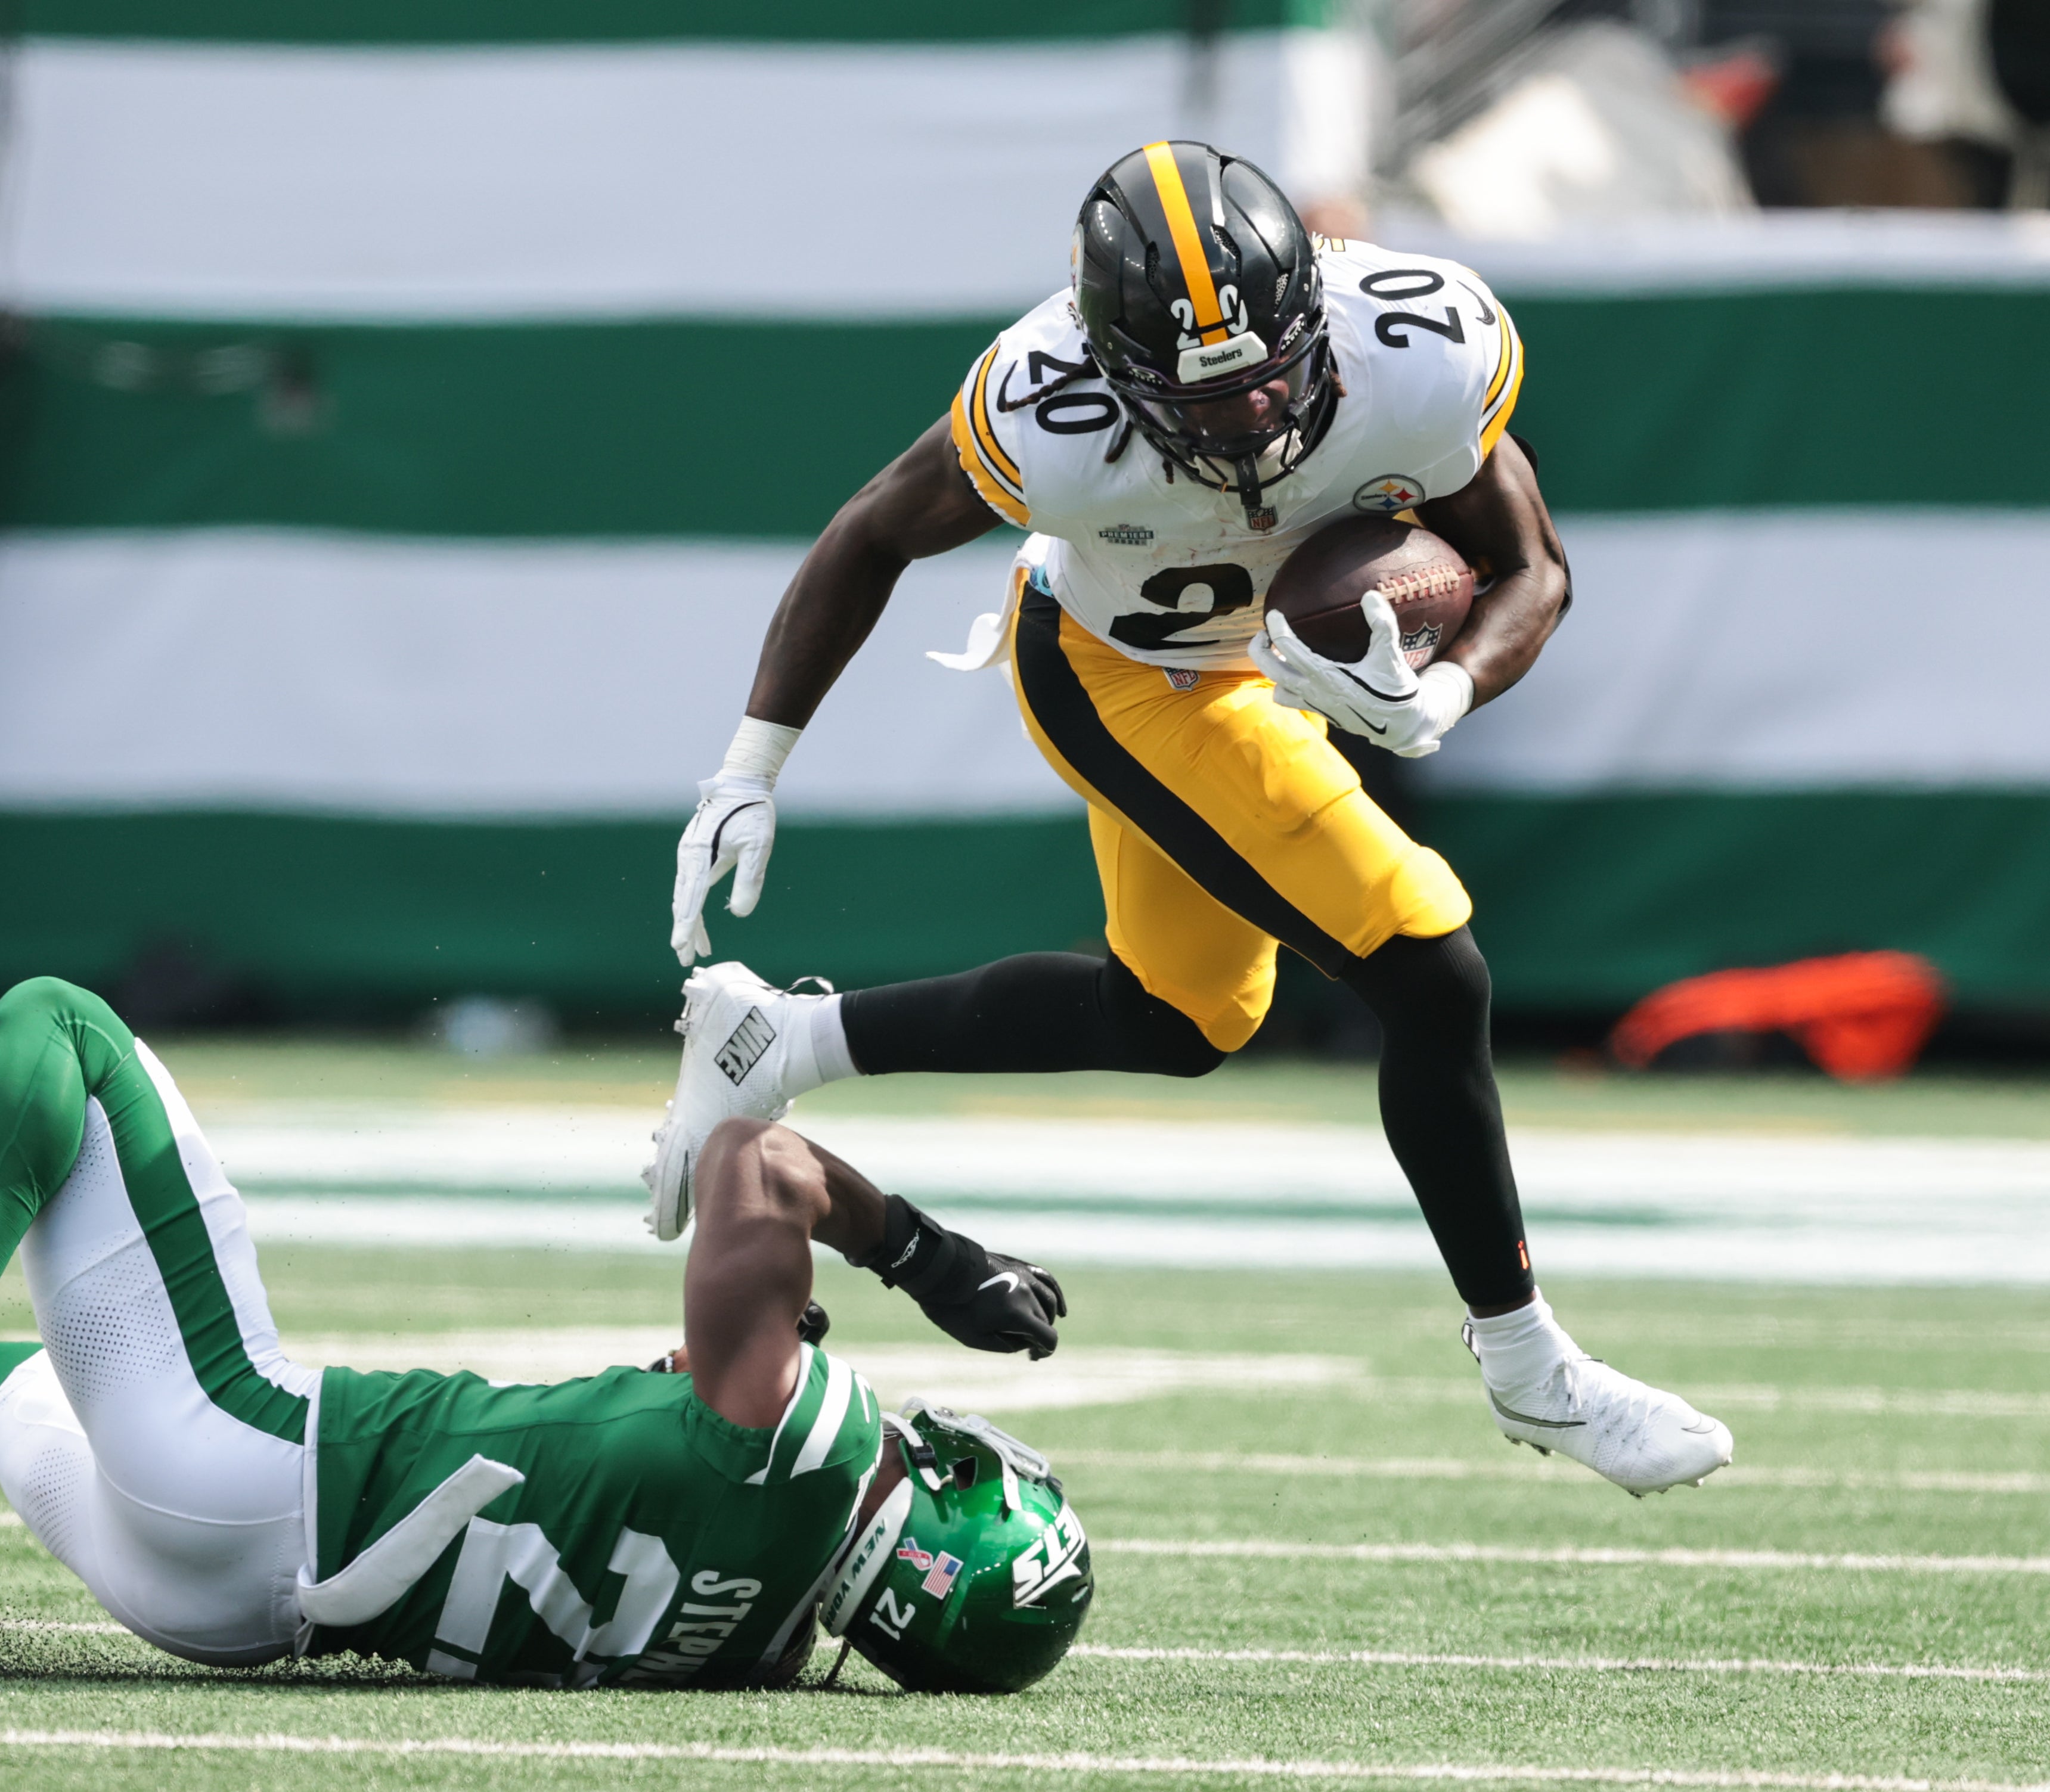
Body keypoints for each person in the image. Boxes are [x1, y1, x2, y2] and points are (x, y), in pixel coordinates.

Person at [649, 141, 1732, 1500]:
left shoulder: (1420, 346)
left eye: (1273, 373)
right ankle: (1531, 1369)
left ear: (1317, 314)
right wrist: (753, 761)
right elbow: (872, 529)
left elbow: (1531, 567)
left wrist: (1447, 692)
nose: (1246, 420)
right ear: (1112, 361)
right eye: (1196, 396)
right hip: (1122, 673)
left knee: (1182, 1020)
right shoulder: (1041, 405)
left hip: (1239, 669)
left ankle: (782, 1040)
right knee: (1430, 965)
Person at [0, 976, 1091, 1694]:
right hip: (231, 1613)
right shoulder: (764, 1654)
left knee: (59, 1030)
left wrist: (925, 1256)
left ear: (955, 1518)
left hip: (264, 1462)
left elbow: (760, 1159)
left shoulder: (806, 1456)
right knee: (8, 1401)